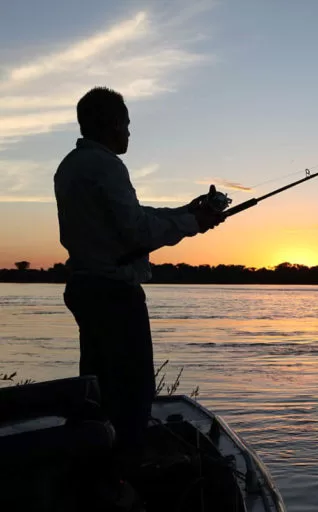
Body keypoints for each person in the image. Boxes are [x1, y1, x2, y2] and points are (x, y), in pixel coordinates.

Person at [54, 86, 225, 465]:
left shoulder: (70, 165)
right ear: (113, 123)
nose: (130, 133)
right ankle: (124, 477)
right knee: (133, 392)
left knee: (100, 387)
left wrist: (184, 211)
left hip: (85, 286)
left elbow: (132, 214)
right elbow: (137, 231)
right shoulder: (107, 165)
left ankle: (98, 467)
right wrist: (193, 223)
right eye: (127, 125)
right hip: (114, 292)